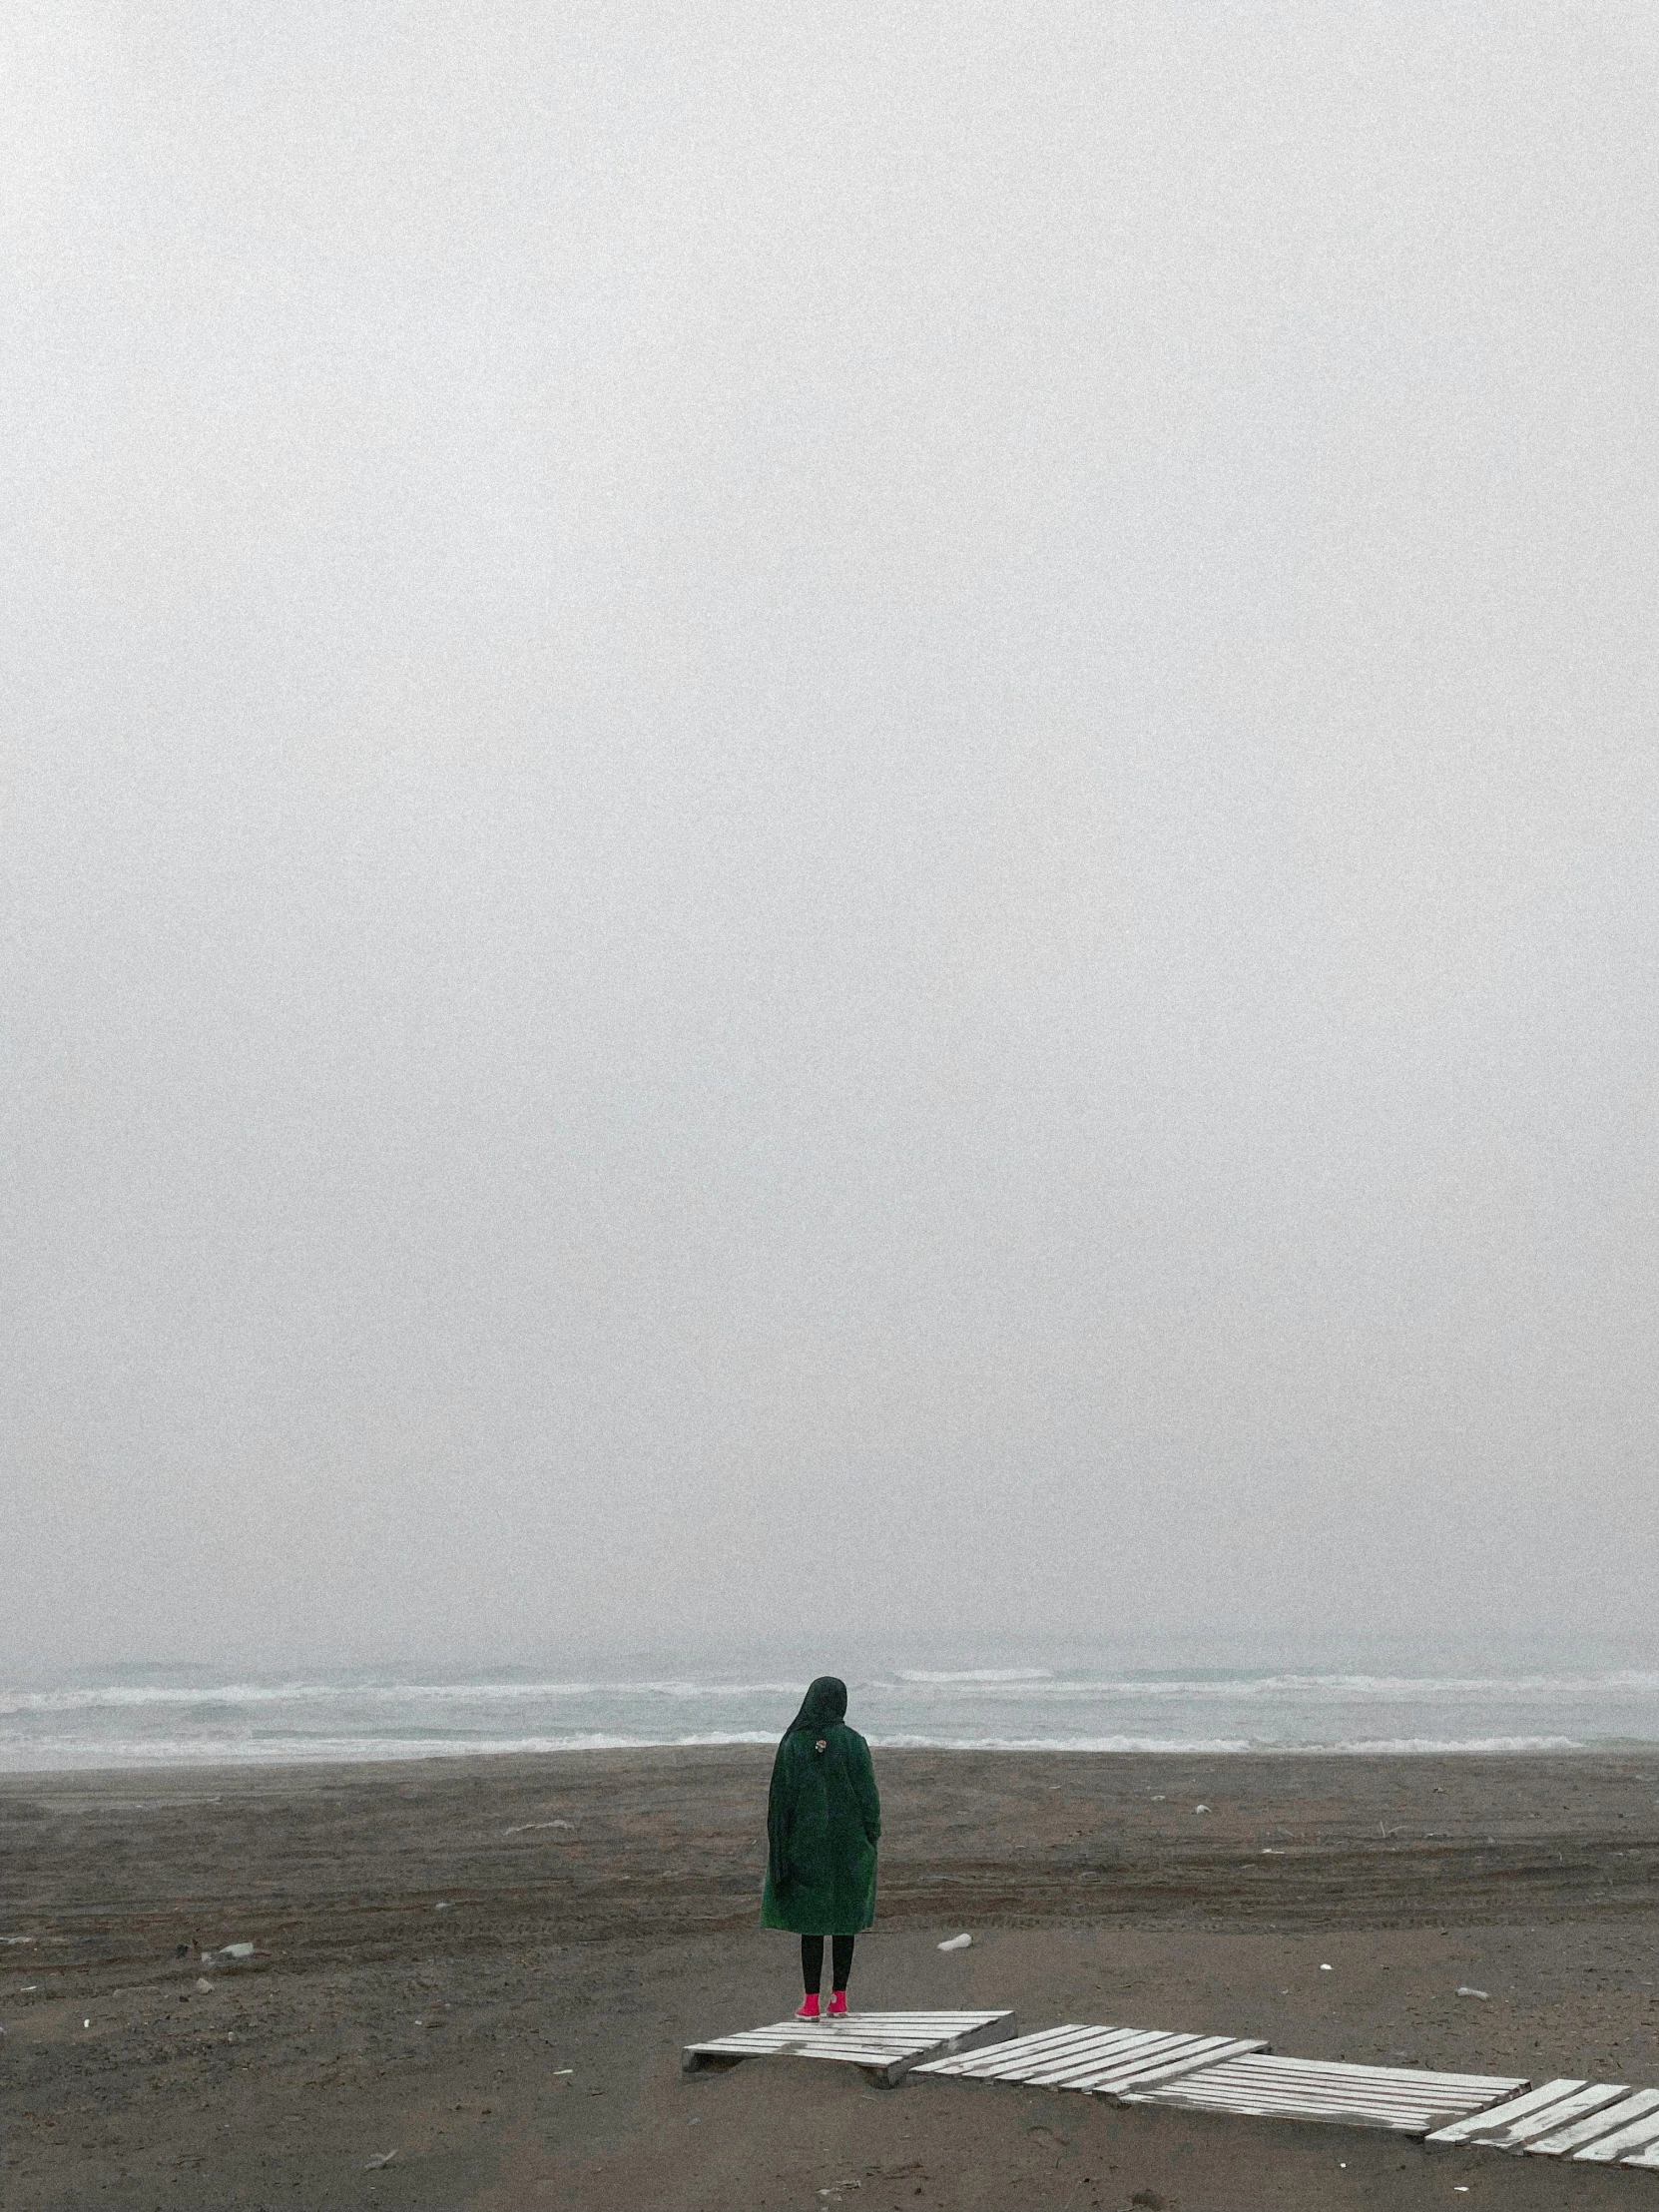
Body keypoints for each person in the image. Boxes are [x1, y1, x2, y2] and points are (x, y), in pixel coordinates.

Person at [761, 1675, 880, 2019]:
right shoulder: (854, 1742)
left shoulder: (794, 1743)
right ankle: (839, 1999)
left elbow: (781, 1800)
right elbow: (868, 1795)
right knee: (845, 1922)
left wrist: (782, 1842)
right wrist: (872, 1833)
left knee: (810, 1925)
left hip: (805, 1845)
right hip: (850, 1846)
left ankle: (810, 2002)